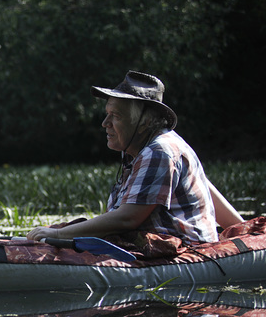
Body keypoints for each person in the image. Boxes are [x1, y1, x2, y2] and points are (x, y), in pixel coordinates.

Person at [27, 71, 243, 245]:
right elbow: (203, 184)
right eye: (107, 113)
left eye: (116, 116)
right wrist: (240, 227)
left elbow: (127, 218)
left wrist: (59, 235)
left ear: (144, 122)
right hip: (158, 247)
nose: (105, 123)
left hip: (183, 253)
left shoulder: (159, 151)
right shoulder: (142, 146)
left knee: (59, 234)